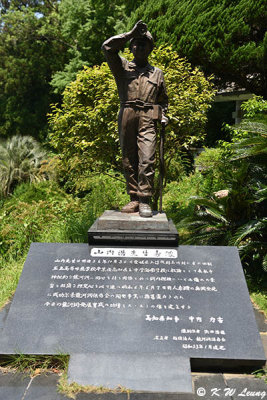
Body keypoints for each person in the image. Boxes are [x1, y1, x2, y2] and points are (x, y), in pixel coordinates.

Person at [102, 20, 168, 217]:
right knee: (129, 159)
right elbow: (107, 47)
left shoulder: (157, 74)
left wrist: (163, 115)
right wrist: (130, 33)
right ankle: (134, 199)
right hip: (127, 114)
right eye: (135, 44)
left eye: (143, 44)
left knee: (147, 158)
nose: (139, 47)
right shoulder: (122, 67)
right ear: (131, 47)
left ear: (150, 49)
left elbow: (163, 100)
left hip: (148, 116)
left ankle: (145, 199)